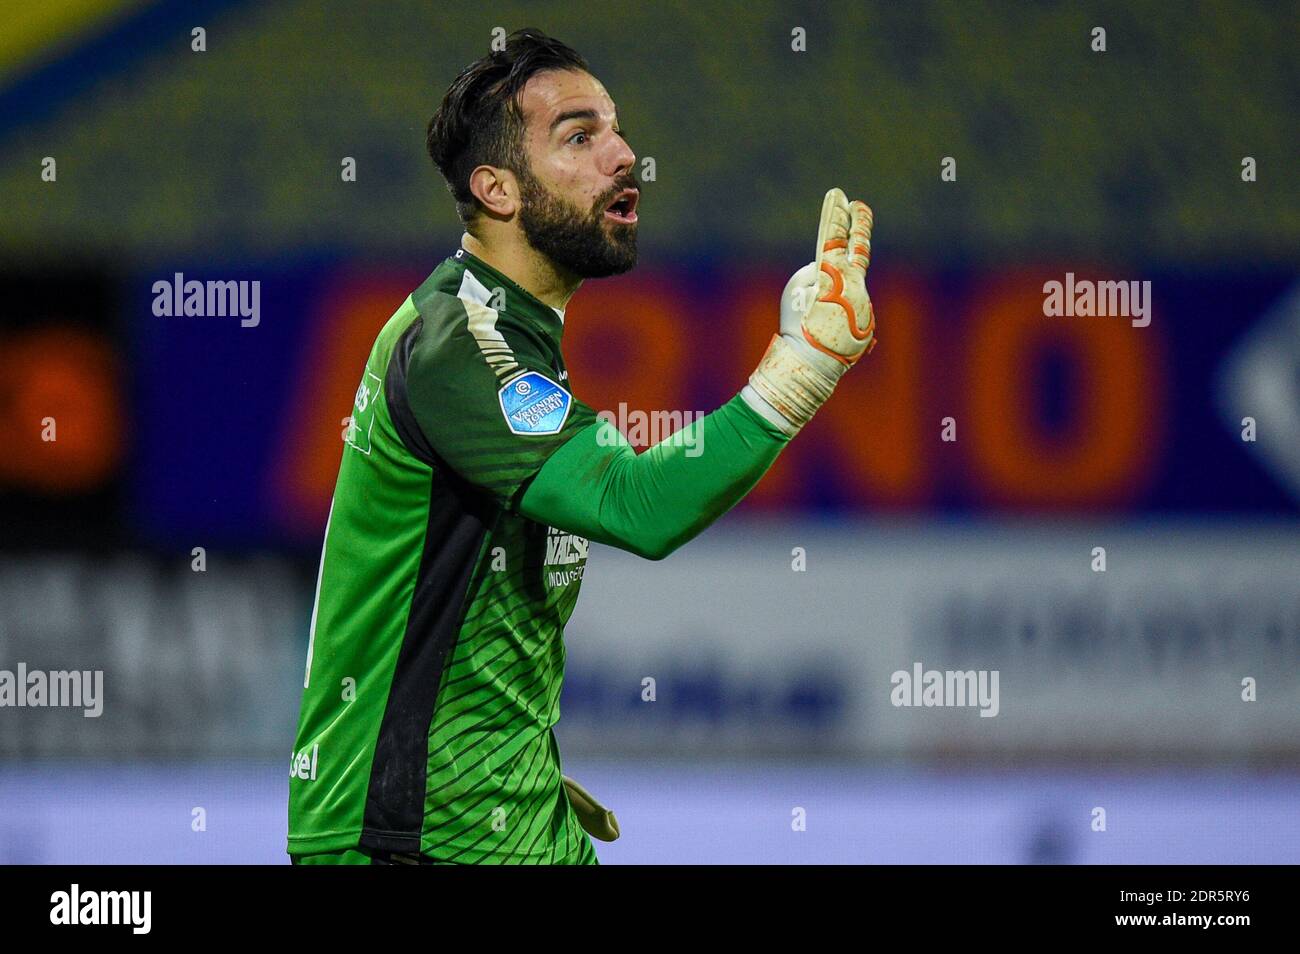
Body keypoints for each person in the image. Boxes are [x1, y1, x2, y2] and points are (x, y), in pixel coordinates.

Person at [287, 27, 876, 865]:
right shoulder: (461, 340)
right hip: (412, 839)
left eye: (617, 129)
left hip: (505, 823)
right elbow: (635, 505)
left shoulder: (513, 334)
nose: (626, 155)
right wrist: (802, 369)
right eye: (580, 137)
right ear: (498, 190)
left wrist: (518, 764)